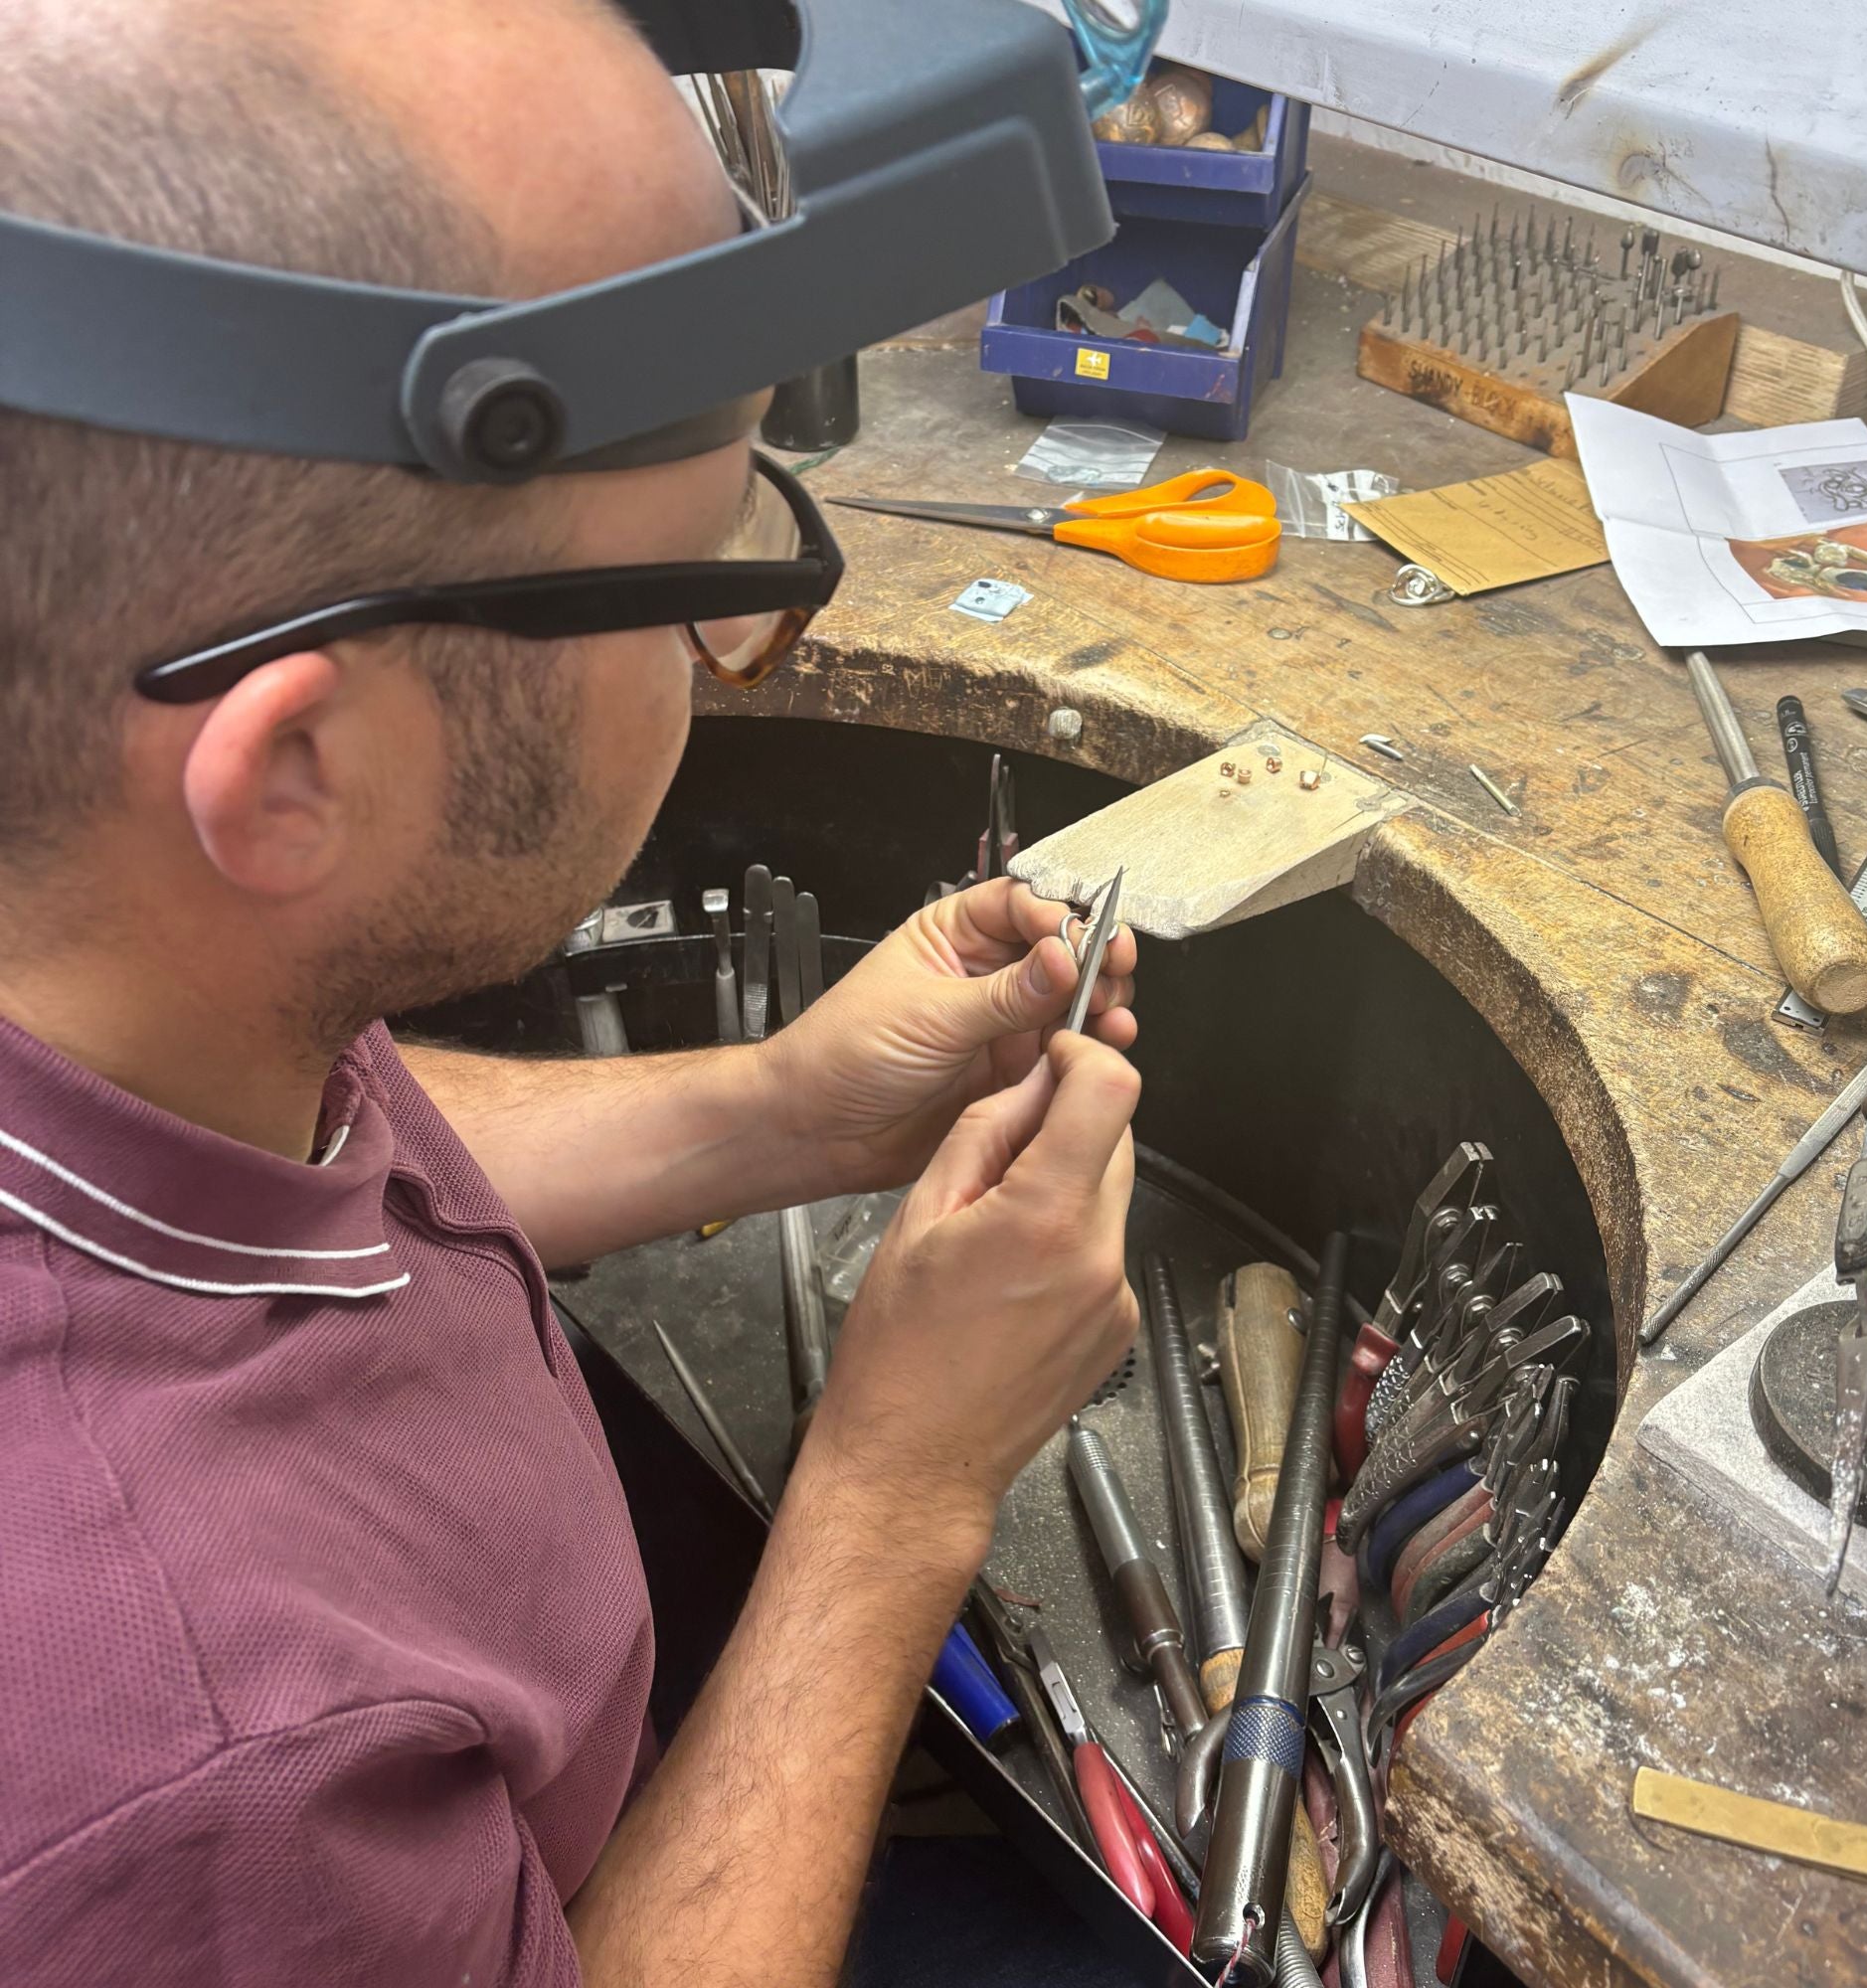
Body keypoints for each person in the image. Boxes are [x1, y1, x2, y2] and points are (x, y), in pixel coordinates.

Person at [0, 2, 1142, 1981]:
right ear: (301, 772)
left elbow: (279, 1155)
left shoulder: (118, 929)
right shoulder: (203, 1772)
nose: (735, 634)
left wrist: (782, 1109)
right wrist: (891, 1499)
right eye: (705, 561)